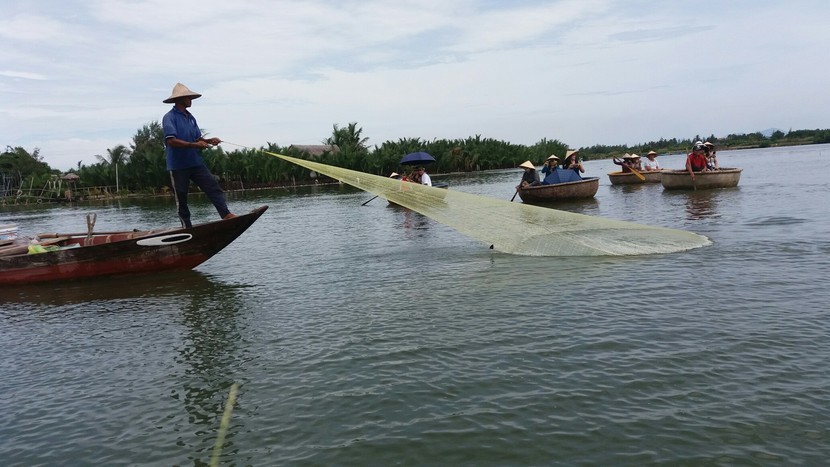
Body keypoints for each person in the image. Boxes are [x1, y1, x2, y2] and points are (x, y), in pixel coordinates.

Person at [162, 82, 235, 228]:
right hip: (178, 166)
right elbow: (171, 141)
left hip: (195, 162)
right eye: (188, 97)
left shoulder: (190, 117)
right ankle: (187, 227)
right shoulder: (169, 117)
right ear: (179, 99)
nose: (191, 100)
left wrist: (209, 140)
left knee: (213, 187)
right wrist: (195, 145)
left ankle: (226, 215)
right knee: (181, 197)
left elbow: (197, 139)